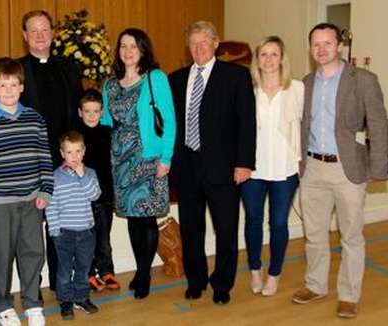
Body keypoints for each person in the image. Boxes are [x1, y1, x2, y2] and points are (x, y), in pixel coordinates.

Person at [291, 23, 388, 319]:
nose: (321, 49)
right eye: (316, 44)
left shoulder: (364, 80)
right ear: (310, 49)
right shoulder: (304, 83)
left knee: (352, 237)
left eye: (327, 43)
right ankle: (316, 285)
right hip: (312, 170)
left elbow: (379, 126)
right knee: (315, 235)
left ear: (340, 46)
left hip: (348, 169)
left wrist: (379, 167)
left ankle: (348, 295)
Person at [168, 21, 256, 305]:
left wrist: (244, 163)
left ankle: (222, 284)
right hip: (187, 166)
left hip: (224, 167)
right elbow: (172, 126)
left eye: (204, 42)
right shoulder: (176, 79)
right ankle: (196, 281)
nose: (198, 48)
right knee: (191, 228)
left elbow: (247, 124)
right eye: (193, 44)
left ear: (216, 43)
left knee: (226, 229)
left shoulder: (236, 76)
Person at [0, 57, 53, 326]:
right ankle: (2, 304)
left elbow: (45, 158)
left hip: (31, 201)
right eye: (2, 85)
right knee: (1, 256)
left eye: (13, 85)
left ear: (22, 87)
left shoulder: (34, 119)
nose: (8, 90)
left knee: (33, 253)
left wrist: (46, 192)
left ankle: (32, 303)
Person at [100, 28, 176, 300]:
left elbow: (169, 120)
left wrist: (166, 157)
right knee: (133, 218)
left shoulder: (155, 79)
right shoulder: (110, 85)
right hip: (121, 161)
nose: (127, 51)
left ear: (143, 49)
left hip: (149, 157)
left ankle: (143, 274)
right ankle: (140, 269)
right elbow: (106, 122)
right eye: (123, 46)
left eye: (133, 46)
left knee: (147, 217)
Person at [18, 10, 84, 290]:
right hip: (34, 160)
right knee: (32, 227)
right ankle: (33, 285)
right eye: (33, 31)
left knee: (65, 222)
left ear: (53, 33)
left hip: (66, 159)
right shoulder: (17, 69)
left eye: (44, 29)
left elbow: (80, 113)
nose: (40, 36)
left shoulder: (69, 67)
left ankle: (62, 281)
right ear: (25, 36)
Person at [241, 36, 304, 297]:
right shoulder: (247, 89)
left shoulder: (297, 89)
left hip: (285, 169)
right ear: (257, 60)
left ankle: (274, 273)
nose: (268, 60)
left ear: (282, 58)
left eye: (274, 54)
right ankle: (255, 269)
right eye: (263, 54)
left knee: (278, 222)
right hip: (253, 169)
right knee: (253, 220)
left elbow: (307, 126)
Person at [47, 130, 102, 320]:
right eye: (69, 152)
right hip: (64, 233)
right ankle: (66, 301)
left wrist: (82, 175)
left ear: (84, 151)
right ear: (62, 153)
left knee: (83, 268)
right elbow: (51, 206)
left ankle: (82, 297)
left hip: (86, 232)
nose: (74, 156)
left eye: (78, 151)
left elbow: (94, 195)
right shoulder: (55, 177)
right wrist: (55, 231)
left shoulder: (90, 174)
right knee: (63, 271)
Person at [75, 89, 119, 292]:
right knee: (85, 241)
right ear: (79, 112)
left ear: (102, 112)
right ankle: (88, 273)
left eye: (95, 111)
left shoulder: (108, 133)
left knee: (104, 239)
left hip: (104, 197)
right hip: (82, 200)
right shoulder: (75, 137)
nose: (91, 115)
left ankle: (106, 271)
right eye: (87, 111)